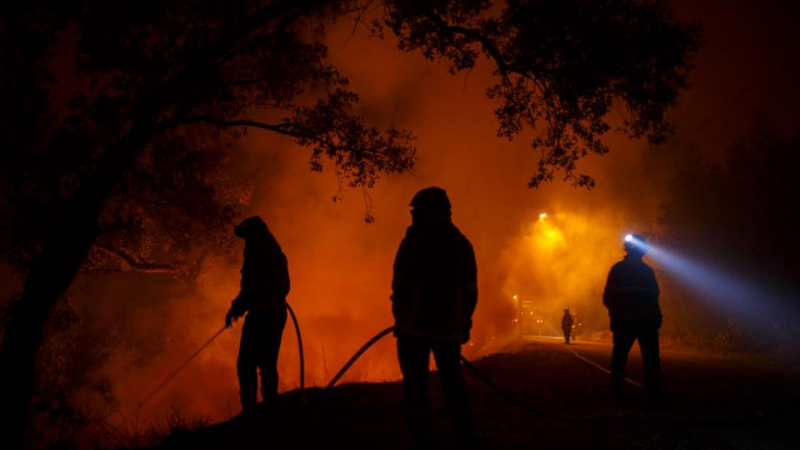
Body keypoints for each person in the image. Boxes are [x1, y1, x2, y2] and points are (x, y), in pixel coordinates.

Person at [391, 187, 479, 447]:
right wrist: (464, 322)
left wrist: (401, 316)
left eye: (417, 211)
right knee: (453, 383)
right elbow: (470, 290)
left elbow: (400, 285)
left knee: (416, 388)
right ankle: (466, 435)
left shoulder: (411, 243)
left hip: (413, 330)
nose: (414, 215)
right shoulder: (461, 245)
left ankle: (421, 438)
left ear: (429, 211)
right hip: (447, 329)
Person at [225, 216, 290, 412]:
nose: (246, 242)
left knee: (246, 364)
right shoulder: (277, 256)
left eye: (247, 237)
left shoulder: (258, 257)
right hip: (276, 314)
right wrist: (238, 308)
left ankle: (251, 410)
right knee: (267, 363)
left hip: (263, 316)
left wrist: (236, 310)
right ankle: (269, 406)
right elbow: (283, 288)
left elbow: (250, 290)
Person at [602, 233, 662, 399]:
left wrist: (616, 313)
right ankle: (652, 391)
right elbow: (653, 296)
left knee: (620, 357)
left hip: (625, 323)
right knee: (650, 358)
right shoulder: (647, 272)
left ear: (626, 250)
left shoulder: (617, 270)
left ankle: (617, 390)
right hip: (645, 323)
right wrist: (656, 318)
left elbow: (608, 297)